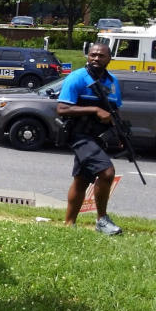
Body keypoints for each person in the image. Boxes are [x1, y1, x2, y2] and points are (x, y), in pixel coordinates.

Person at [58, 42, 123, 235]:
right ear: (88, 56)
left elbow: (114, 110)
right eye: (93, 54)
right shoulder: (77, 78)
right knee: (107, 173)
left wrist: (119, 134)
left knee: (81, 180)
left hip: (99, 138)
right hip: (79, 136)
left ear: (109, 58)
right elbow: (61, 108)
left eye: (101, 55)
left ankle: (69, 224)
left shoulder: (112, 82)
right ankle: (101, 220)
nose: (96, 58)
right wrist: (94, 109)